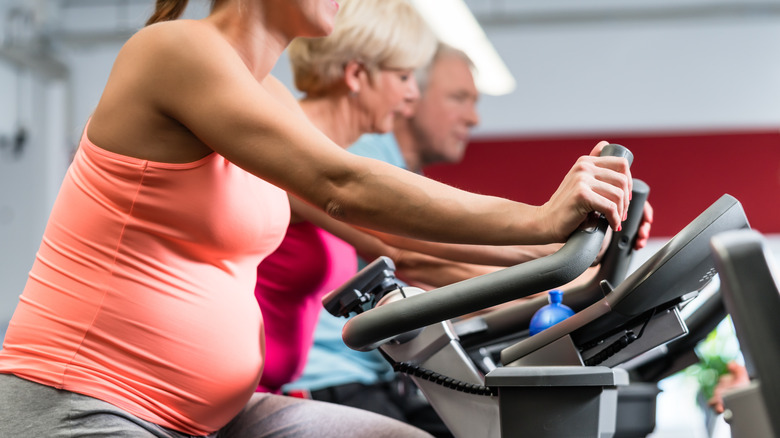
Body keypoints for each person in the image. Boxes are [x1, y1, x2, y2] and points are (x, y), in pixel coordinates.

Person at [0, 0, 636, 436]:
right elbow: (343, 185)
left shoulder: (267, 94)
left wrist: (584, 255)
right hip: (86, 402)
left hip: (213, 416)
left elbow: (386, 223)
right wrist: (543, 221)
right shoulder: (172, 52)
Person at [281, 43, 652, 437]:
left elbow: (429, 260)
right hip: (331, 376)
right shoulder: (347, 152)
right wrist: (560, 252)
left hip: (372, 370)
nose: (409, 95)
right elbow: (406, 253)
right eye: (404, 78)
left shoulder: (379, 157)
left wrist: (567, 270)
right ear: (358, 75)